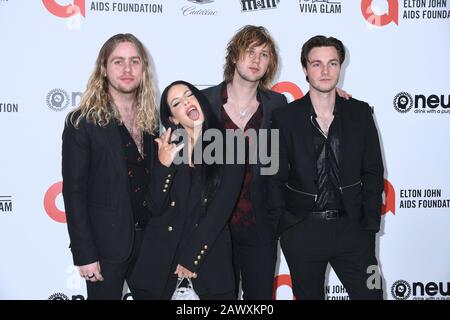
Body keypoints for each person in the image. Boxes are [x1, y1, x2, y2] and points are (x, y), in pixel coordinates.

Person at [202, 25, 351, 300]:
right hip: (214, 227)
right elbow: (175, 122)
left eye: (265, 54)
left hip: (261, 225)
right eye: (250, 52)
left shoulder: (277, 104)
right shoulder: (206, 101)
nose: (256, 60)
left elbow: (306, 121)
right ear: (234, 57)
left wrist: (334, 99)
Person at [268, 35, 384, 300]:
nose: (325, 71)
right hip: (302, 232)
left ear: (341, 67)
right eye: (317, 64)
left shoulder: (360, 112)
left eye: (332, 63)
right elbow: (271, 175)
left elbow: (373, 171)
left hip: (353, 231)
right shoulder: (283, 118)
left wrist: (369, 226)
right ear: (305, 69)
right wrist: (284, 226)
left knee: (372, 294)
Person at [61, 33, 159, 300]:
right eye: (118, 62)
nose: (127, 69)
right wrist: (85, 253)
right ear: (104, 69)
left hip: (151, 244)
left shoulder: (151, 120)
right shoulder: (81, 122)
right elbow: (74, 193)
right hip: (105, 248)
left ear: (143, 69)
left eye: (134, 61)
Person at [129, 81, 245, 300]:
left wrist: (192, 258)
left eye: (189, 95)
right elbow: (154, 206)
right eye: (177, 103)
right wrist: (164, 165)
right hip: (160, 265)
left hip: (208, 260)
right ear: (173, 118)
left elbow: (221, 210)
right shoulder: (164, 147)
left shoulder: (233, 145)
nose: (186, 102)